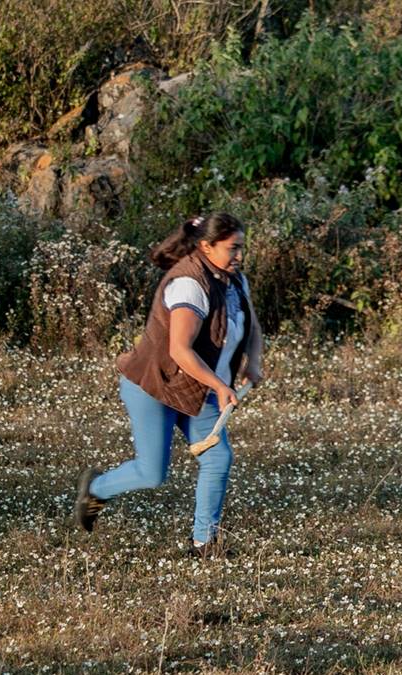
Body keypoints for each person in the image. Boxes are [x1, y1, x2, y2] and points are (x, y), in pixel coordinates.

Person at [74, 213, 264, 557]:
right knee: (152, 473)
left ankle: (204, 544)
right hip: (155, 388)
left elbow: (251, 325)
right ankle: (97, 489)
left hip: (199, 390)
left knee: (218, 458)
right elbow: (179, 350)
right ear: (206, 246)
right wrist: (221, 386)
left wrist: (254, 361)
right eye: (232, 248)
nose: (240, 255)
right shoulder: (189, 283)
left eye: (241, 247)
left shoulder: (235, 281)